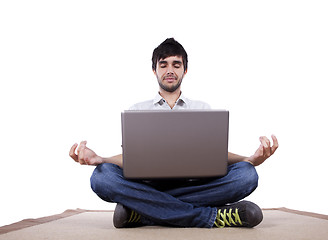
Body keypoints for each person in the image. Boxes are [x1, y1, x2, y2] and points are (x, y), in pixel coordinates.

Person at [69, 38, 278, 228]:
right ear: (154, 70)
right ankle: (210, 217)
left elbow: (215, 157)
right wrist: (101, 159)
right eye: (163, 64)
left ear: (185, 70)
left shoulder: (202, 109)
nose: (170, 70)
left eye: (176, 64)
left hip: (194, 186)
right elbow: (131, 160)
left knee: (247, 175)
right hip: (148, 185)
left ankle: (143, 212)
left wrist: (249, 159)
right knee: (101, 178)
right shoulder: (137, 111)